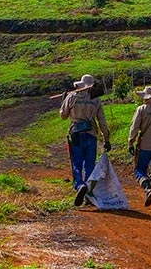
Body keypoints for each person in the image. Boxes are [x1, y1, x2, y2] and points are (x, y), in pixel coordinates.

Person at [60, 74, 111, 206]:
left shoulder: (72, 96)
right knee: (89, 165)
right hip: (91, 134)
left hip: (76, 133)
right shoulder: (96, 100)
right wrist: (106, 138)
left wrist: (63, 100)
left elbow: (63, 116)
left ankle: (79, 184)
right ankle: (88, 193)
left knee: (76, 163)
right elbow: (102, 121)